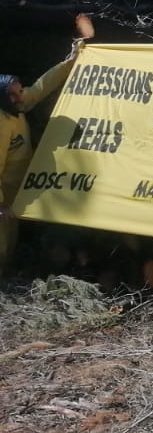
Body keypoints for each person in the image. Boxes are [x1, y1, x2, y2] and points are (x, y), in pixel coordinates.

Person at [0, 41, 80, 274]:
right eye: (13, 95)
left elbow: (42, 86)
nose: (19, 96)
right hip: (4, 195)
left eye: (19, 90)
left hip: (18, 191)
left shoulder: (17, 106)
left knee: (12, 240)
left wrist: (70, 62)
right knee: (2, 242)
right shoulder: (1, 122)